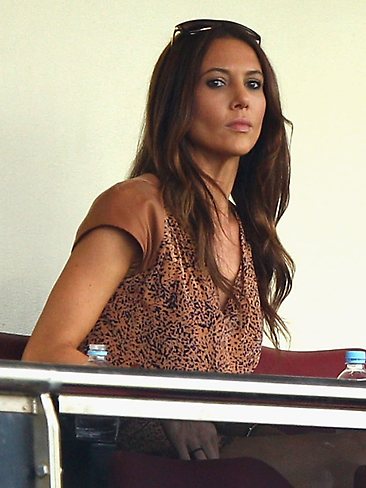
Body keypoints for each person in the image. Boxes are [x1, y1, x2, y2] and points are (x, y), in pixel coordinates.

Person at [22, 19, 364, 487]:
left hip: (215, 449)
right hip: (124, 449)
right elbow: (45, 352)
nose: (241, 98)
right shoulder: (138, 204)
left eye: (255, 84)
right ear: (178, 102)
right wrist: (162, 404)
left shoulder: (245, 229)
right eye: (217, 82)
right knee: (339, 462)